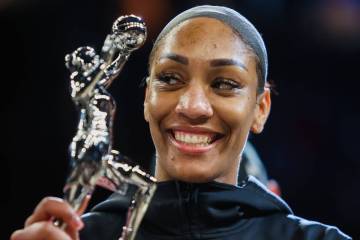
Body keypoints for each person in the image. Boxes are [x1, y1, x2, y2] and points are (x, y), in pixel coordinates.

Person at [11, 5, 351, 240]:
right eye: (171, 78)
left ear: (260, 109)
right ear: (147, 99)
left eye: (224, 83)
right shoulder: (82, 235)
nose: (193, 106)